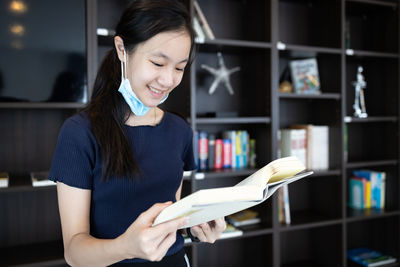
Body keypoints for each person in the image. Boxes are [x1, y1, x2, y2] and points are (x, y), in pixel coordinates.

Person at [48, 0, 226, 266]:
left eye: (179, 68)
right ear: (122, 49)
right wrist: (126, 247)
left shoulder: (179, 130)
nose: (168, 80)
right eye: (157, 63)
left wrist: (194, 228)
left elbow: (167, 220)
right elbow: (74, 252)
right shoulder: (79, 133)